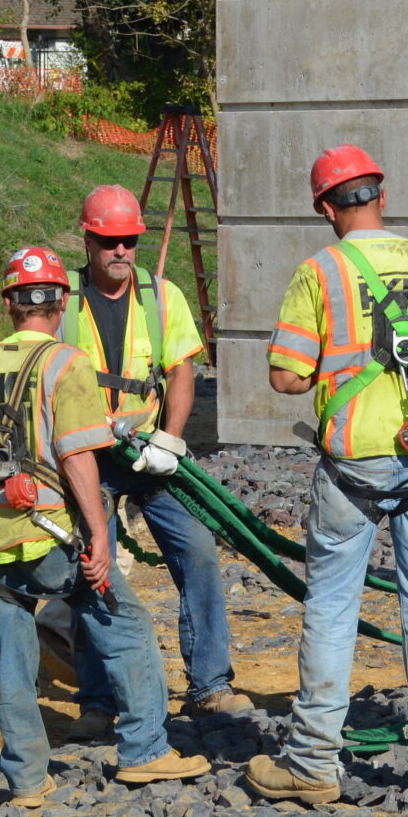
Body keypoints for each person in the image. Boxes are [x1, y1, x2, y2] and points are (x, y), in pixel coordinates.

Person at [245, 146, 408, 806]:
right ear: (382, 194)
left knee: (331, 606)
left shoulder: (320, 271)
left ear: (327, 206)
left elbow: (287, 374)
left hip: (354, 461)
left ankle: (313, 760)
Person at [0, 245, 208, 807]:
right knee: (126, 625)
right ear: (60, 301)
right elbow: (76, 457)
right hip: (52, 533)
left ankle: (25, 777)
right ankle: (145, 751)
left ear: (9, 305)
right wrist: (98, 533)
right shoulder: (65, 363)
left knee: (11, 646)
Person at [59, 184, 246, 735]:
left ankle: (210, 686)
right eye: (109, 241)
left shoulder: (162, 296)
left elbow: (181, 370)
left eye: (129, 241)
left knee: (199, 550)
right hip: (89, 453)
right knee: (95, 569)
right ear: (88, 240)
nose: (120, 251)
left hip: (148, 453)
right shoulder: (63, 299)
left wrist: (170, 439)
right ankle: (98, 703)